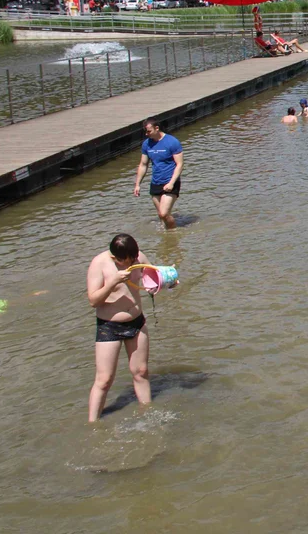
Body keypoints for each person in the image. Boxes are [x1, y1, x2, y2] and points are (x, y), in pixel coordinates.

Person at [86, 234, 152, 422]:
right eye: (124, 261)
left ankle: (147, 414)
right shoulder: (99, 263)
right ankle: (93, 423)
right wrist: (113, 281)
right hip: (110, 326)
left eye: (132, 259)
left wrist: (168, 281)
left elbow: (153, 279)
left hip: (137, 322)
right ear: (115, 257)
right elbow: (93, 300)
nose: (129, 264)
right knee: (104, 379)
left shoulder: (138, 258)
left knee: (141, 372)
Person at [134, 118, 183, 229]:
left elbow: (179, 165)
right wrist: (137, 184)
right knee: (161, 217)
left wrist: (171, 183)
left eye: (149, 131)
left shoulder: (172, 142)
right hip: (156, 182)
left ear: (157, 128)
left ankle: (173, 234)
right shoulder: (147, 144)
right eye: (145, 132)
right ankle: (166, 239)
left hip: (171, 181)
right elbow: (143, 164)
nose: (146, 134)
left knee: (163, 213)